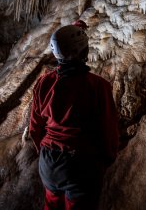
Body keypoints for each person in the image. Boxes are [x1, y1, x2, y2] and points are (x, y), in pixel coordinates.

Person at [29, 20, 119, 210]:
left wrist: (44, 151)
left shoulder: (44, 83)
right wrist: (107, 159)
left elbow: (35, 126)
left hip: (49, 163)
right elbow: (107, 128)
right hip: (79, 164)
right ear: (83, 52)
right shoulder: (97, 85)